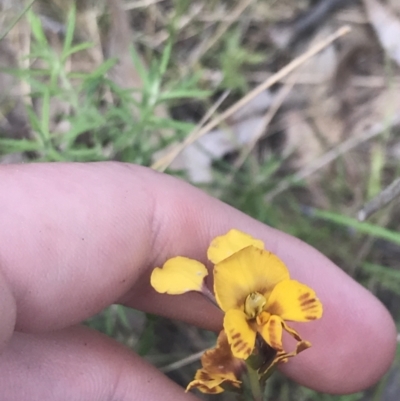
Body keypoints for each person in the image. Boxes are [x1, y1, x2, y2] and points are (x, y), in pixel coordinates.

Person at [0, 162, 395, 400]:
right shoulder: (235, 313)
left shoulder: (258, 307)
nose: (257, 306)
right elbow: (241, 323)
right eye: (252, 304)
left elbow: (284, 312)